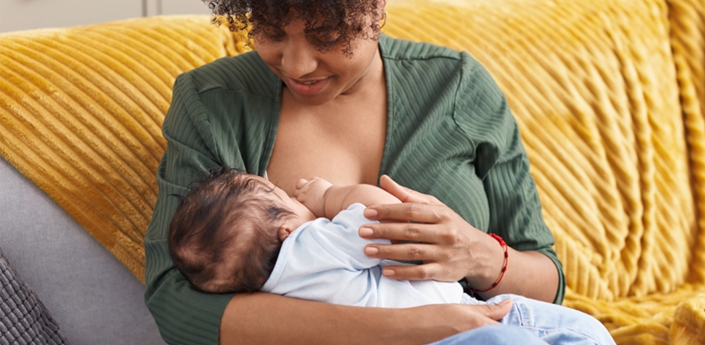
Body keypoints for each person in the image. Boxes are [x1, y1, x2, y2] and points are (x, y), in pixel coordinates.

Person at [144, 0, 615, 344]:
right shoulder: (212, 102)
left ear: (375, 8)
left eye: (326, 37)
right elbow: (177, 304)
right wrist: (410, 328)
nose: (297, 64)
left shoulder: (457, 86)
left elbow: (548, 280)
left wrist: (478, 256)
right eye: (271, 32)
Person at [167, 168, 614, 344]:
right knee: (578, 334)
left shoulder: (272, 282)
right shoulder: (309, 245)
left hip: (469, 314)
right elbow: (378, 216)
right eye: (282, 194)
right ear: (286, 228)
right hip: (451, 332)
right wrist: (328, 196)